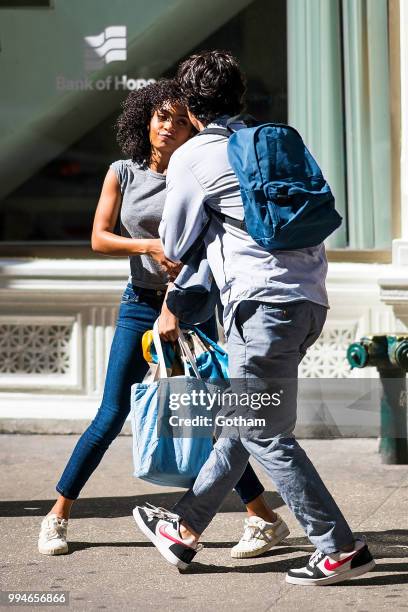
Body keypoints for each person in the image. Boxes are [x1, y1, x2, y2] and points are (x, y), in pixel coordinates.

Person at [132, 53, 376, 586]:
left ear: (192, 108)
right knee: (246, 421)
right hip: (308, 299)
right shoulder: (271, 141)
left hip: (259, 306)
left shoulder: (193, 154)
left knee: (264, 431)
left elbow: (173, 242)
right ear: (239, 98)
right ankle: (184, 529)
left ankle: (337, 546)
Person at [37, 79, 287, 559]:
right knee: (111, 413)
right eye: (160, 116)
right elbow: (99, 237)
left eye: (177, 118)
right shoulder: (123, 172)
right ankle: (57, 515)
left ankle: (263, 519)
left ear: (192, 125)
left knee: (210, 418)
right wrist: (149, 245)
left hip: (192, 307)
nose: (168, 126)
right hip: (140, 302)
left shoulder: (197, 172)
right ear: (145, 120)